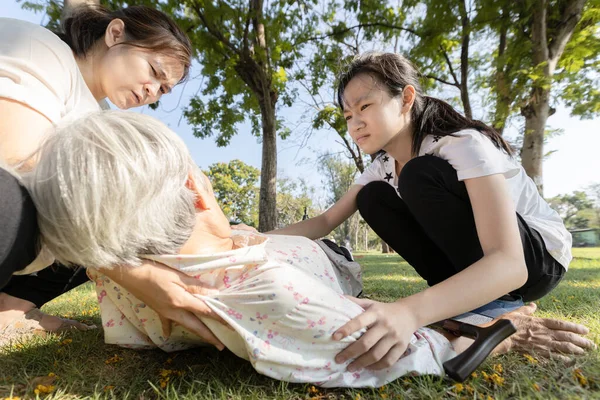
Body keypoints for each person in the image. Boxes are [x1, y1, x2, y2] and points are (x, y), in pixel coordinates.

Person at [23, 111, 593, 387]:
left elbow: (87, 233)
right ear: (196, 190)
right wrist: (503, 332)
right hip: (321, 270)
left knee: (395, 188)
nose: (355, 122)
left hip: (281, 253)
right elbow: (408, 348)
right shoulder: (276, 296)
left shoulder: (126, 274)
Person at [269, 52, 591, 371]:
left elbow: (511, 263)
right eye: (348, 115)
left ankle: (495, 305)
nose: (355, 124)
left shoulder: (462, 144)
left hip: (536, 260)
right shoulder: (381, 166)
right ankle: (468, 297)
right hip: (483, 261)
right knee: (371, 198)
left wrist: (408, 312)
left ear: (406, 98)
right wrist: (248, 238)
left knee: (418, 175)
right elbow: (326, 220)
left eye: (365, 106)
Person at [0, 4, 224, 348]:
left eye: (163, 90)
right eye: (154, 71)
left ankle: (9, 308)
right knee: (15, 201)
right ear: (115, 33)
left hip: (18, 247)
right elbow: (15, 164)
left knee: (121, 209)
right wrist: (139, 277)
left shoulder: (100, 119)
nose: (153, 91)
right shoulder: (41, 50)